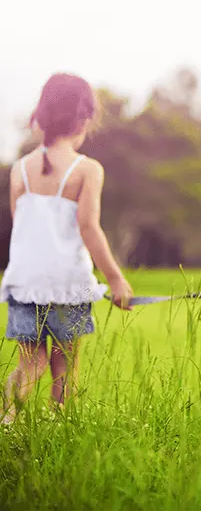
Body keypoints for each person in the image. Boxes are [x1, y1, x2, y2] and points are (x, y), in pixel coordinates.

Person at [0, 73, 133, 424]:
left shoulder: (20, 170)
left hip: (24, 283)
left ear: (41, 117)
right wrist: (115, 280)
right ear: (85, 119)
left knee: (31, 363)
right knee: (65, 367)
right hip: (68, 285)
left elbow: (21, 226)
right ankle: (61, 430)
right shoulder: (87, 169)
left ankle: (5, 421)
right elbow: (89, 227)